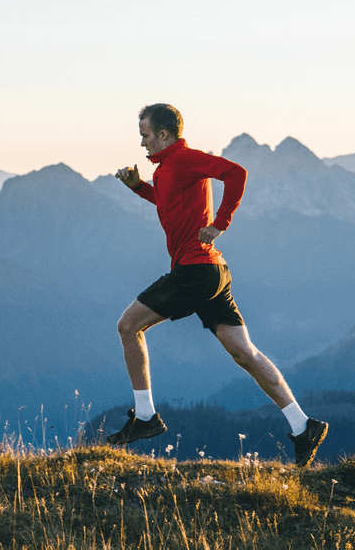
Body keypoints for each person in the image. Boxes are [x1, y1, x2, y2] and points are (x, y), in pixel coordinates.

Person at [103, 103, 330, 468]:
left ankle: (145, 417)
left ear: (163, 134)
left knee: (128, 326)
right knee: (245, 354)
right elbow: (167, 202)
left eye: (145, 135)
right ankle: (303, 426)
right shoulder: (166, 170)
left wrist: (221, 222)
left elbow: (236, 172)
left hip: (195, 270)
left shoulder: (188, 159)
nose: (142, 144)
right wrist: (138, 187)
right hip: (212, 272)